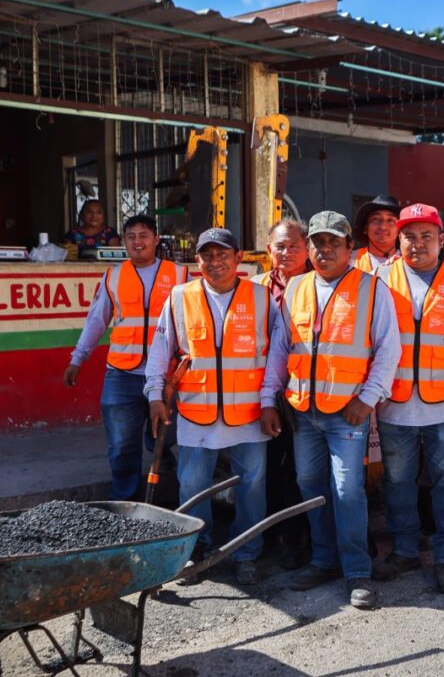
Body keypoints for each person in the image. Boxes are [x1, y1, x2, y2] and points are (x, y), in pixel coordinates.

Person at [259, 211, 401, 610]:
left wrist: (367, 399)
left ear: (349, 248)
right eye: (318, 243)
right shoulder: (297, 288)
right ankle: (323, 559)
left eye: (333, 243)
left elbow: (388, 350)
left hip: (347, 414)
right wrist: (271, 398)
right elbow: (281, 350)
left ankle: (357, 571)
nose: (324, 250)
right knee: (310, 487)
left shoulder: (373, 290)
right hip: (304, 413)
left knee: (346, 490)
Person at [145, 229, 271, 586]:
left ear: (238, 256)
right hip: (196, 410)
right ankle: (198, 550)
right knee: (193, 485)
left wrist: (269, 400)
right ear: (197, 259)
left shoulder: (261, 298)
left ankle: (248, 552)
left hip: (249, 413)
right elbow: (160, 350)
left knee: (252, 485)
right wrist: (155, 395)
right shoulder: (180, 297)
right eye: (207, 256)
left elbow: (277, 354)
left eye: (222, 254)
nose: (215, 262)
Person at [372, 204, 444, 594]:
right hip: (395, 403)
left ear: (441, 241)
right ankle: (405, 550)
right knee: (398, 481)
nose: (418, 244)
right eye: (409, 237)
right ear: (399, 240)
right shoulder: (379, 278)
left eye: (426, 236)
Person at [63, 215, 186, 500]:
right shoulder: (113, 276)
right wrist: (77, 359)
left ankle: (160, 455)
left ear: (156, 240)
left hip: (167, 374)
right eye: (131, 236)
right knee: (121, 444)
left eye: (144, 235)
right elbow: (96, 321)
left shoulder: (180, 275)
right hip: (122, 373)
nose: (137, 241)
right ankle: (124, 502)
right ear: (124, 242)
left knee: (168, 435)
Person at [256, 218, 312, 568]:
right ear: (268, 251)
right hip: (266, 393)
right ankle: (278, 537)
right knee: (271, 469)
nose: (287, 252)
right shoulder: (256, 287)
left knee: (304, 470)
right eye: (281, 246)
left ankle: (306, 539)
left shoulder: (319, 282)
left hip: (308, 392)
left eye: (294, 245)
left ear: (306, 248)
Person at [352, 194, 401, 273]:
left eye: (390, 220)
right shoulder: (349, 260)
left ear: (399, 230)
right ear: (365, 228)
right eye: (375, 220)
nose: (383, 226)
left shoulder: (409, 262)